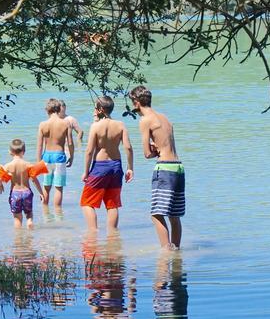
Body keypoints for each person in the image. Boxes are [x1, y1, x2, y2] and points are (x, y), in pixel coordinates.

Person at [129, 85, 184, 249]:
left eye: (133, 103)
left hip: (165, 168)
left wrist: (153, 150)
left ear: (137, 102)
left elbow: (146, 154)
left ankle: (166, 252)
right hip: (178, 167)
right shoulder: (164, 117)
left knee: (156, 214)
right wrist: (156, 147)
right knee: (174, 215)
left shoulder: (145, 120)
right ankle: (176, 254)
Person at [80, 96, 133, 233]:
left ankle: (93, 232)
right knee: (112, 204)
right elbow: (128, 147)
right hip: (116, 166)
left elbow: (89, 151)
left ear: (100, 110)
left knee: (87, 202)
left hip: (100, 167)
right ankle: (112, 236)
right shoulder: (120, 125)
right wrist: (130, 168)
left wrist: (86, 172)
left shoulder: (96, 127)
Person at [0, 139, 47, 229]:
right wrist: (41, 193)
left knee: (17, 218)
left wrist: (0, 185)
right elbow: (34, 180)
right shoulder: (28, 165)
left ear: (10, 152)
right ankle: (29, 221)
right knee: (29, 213)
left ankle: (18, 238)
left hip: (15, 194)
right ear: (24, 152)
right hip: (27, 192)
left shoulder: (8, 166)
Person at [37, 98, 74, 207]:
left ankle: (45, 211)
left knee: (46, 186)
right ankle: (58, 215)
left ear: (47, 110)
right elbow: (70, 143)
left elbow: (39, 145)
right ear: (59, 109)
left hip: (47, 156)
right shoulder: (65, 124)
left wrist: (39, 162)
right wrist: (71, 156)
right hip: (59, 156)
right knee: (58, 187)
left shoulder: (42, 124)